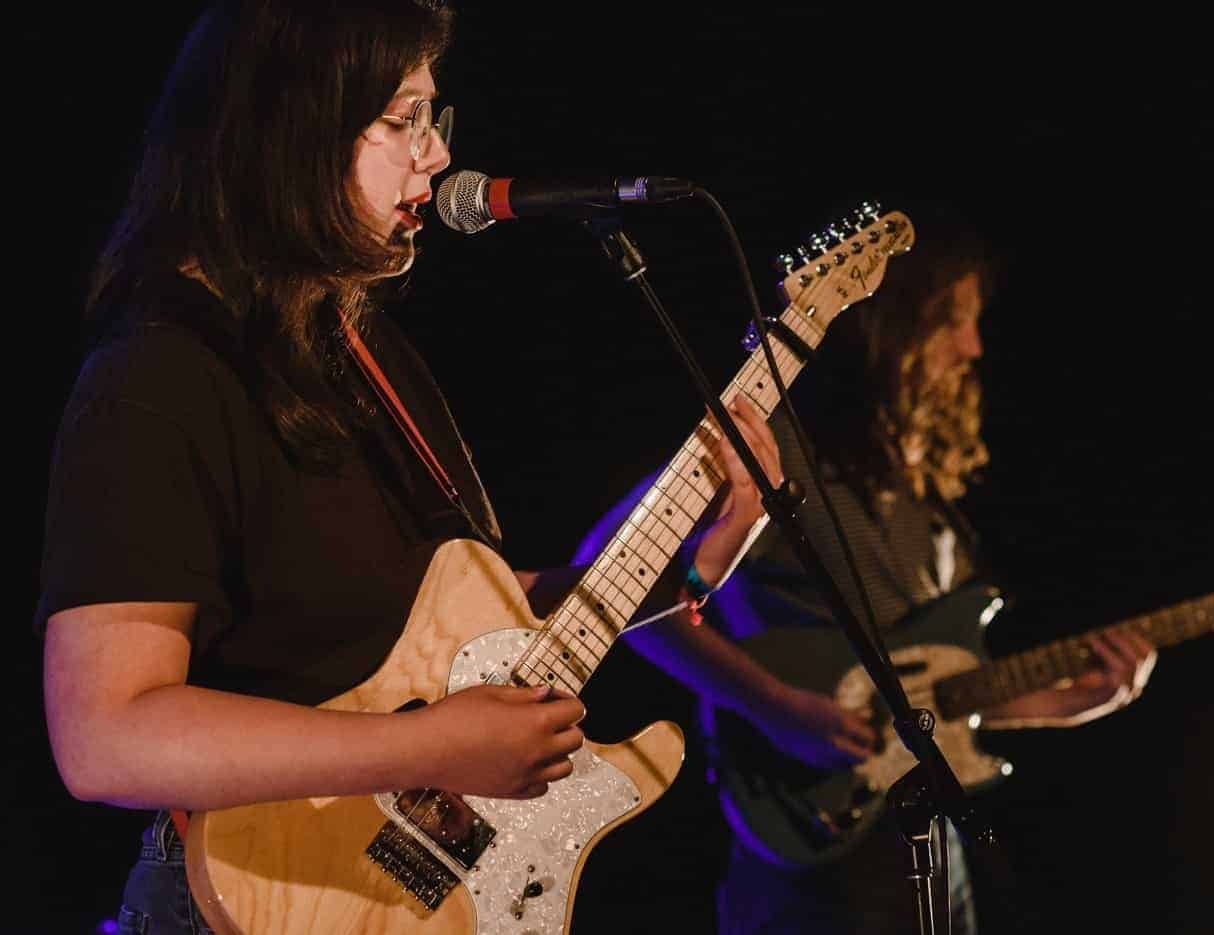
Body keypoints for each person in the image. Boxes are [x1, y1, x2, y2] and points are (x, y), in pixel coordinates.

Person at [35, 2, 782, 932]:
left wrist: (690, 564)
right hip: (243, 899)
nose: (437, 155)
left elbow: (442, 617)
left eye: (434, 118)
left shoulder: (358, 348)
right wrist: (423, 746)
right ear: (290, 131)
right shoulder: (158, 376)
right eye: (403, 119)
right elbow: (104, 736)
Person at [573, 218, 1159, 933]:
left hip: (927, 841)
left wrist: (1068, 703)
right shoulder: (782, 448)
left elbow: (928, 697)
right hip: (810, 846)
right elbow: (608, 580)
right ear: (890, 327)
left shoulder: (927, 499)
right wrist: (776, 706)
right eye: (951, 321)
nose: (972, 348)